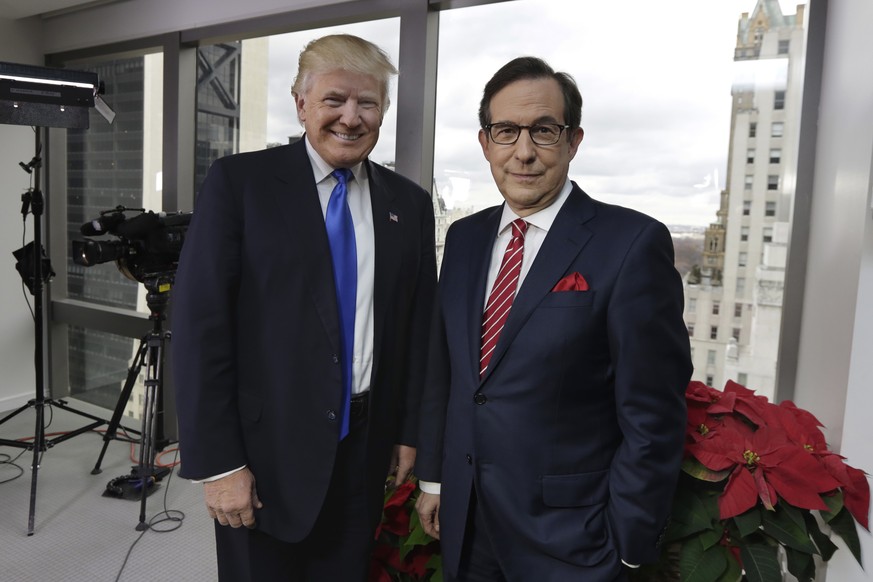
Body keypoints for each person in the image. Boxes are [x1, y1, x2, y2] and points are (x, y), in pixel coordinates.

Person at [415, 56, 693, 581]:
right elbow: (447, 372)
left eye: (543, 131)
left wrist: (627, 542)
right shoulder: (464, 239)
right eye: (506, 132)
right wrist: (436, 480)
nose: (524, 152)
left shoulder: (631, 244)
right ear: (484, 143)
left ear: (573, 141)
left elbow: (653, 412)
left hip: (575, 542)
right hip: (468, 525)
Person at [171, 34, 437, 581]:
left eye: (368, 104)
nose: (351, 117)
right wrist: (220, 464)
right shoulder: (240, 184)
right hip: (263, 453)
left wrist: (407, 431)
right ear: (301, 103)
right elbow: (202, 330)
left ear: (382, 111)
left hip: (366, 447)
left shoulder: (407, 204)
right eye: (334, 100)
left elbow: (416, 329)